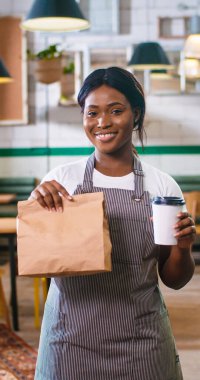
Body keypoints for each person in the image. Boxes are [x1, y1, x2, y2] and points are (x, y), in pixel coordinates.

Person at [32, 67, 196, 380]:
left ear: (136, 114)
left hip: (142, 342)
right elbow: (39, 262)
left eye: (116, 111)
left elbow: (174, 279)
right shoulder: (60, 182)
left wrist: (183, 248)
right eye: (91, 113)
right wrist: (37, 209)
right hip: (69, 342)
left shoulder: (162, 188)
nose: (102, 123)